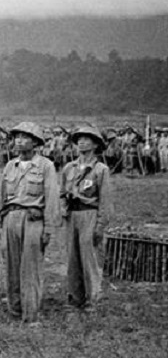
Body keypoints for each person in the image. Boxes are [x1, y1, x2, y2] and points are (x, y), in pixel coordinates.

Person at [0, 122, 60, 324]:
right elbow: (1, 195)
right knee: (12, 266)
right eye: (17, 137)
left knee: (30, 268)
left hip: (33, 219)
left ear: (35, 142)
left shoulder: (46, 166)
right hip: (10, 217)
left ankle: (30, 314)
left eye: (25, 137)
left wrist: (48, 227)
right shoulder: (10, 165)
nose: (19, 141)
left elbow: (51, 197)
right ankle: (14, 310)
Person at [61, 125, 113, 312]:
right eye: (79, 139)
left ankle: (93, 298)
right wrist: (63, 209)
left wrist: (100, 225)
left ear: (96, 144)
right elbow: (61, 193)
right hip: (72, 216)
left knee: (90, 257)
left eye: (87, 139)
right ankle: (75, 298)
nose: (82, 142)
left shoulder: (100, 170)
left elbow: (105, 201)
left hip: (89, 213)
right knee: (72, 257)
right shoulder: (69, 168)